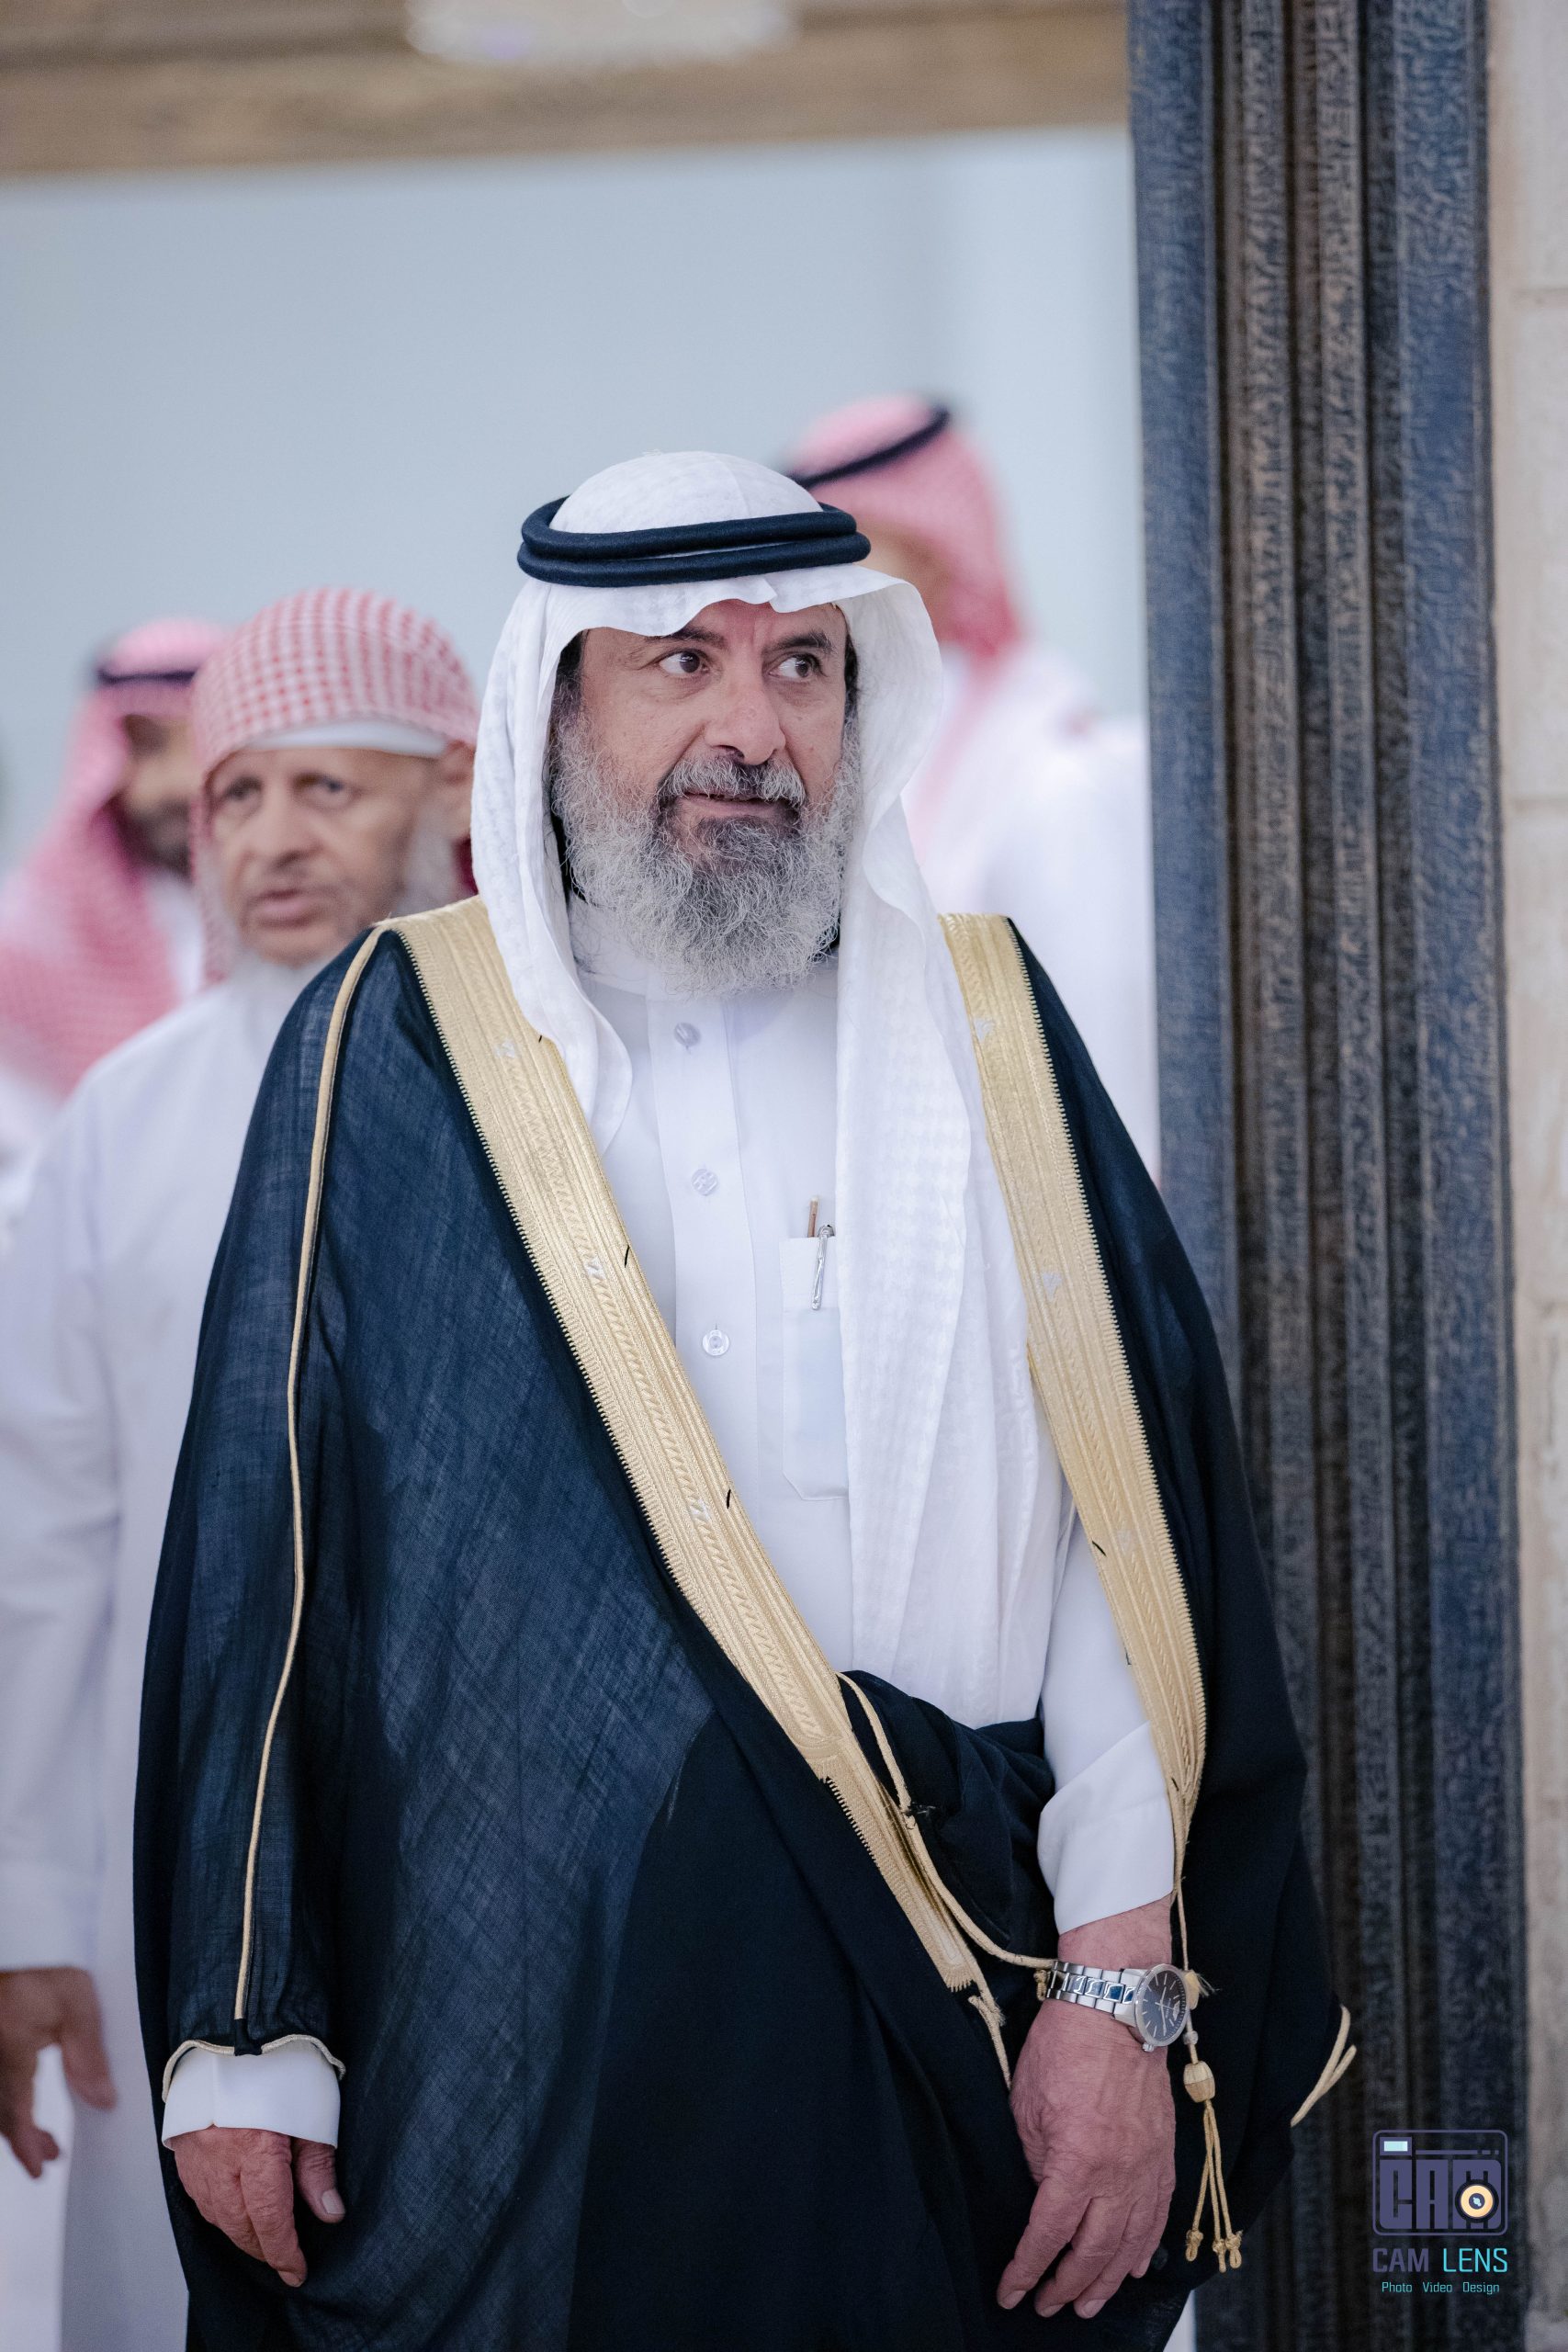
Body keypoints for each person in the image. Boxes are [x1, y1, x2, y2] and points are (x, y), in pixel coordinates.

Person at [137, 457, 1350, 2352]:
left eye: (801, 665)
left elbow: (1122, 1550)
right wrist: (246, 2030)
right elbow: (273, 1550)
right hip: (540, 1995)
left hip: (967, 1967)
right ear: (559, 705)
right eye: (680, 661)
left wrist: (1120, 1993)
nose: (753, 729)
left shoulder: (983, 1022)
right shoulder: (406, 1033)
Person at [0, 588, 479, 2352]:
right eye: (237, 796)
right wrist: (29, 1911)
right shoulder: (124, 1119)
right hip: (179, 1856)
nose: (271, 840)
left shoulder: (553, 1101)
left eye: (325, 789)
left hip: (481, 1848)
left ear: (449, 796)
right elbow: (42, 1539)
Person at [786, 397, 1160, 1174]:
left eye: (858, 552)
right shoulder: (829, 750)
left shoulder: (1052, 780)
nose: (823, 590)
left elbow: (1109, 1080)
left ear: (934, 557)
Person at [0, 618, 226, 1225]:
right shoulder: (28, 939)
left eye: (201, 746)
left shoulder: (300, 921)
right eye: (147, 747)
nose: (177, 784)